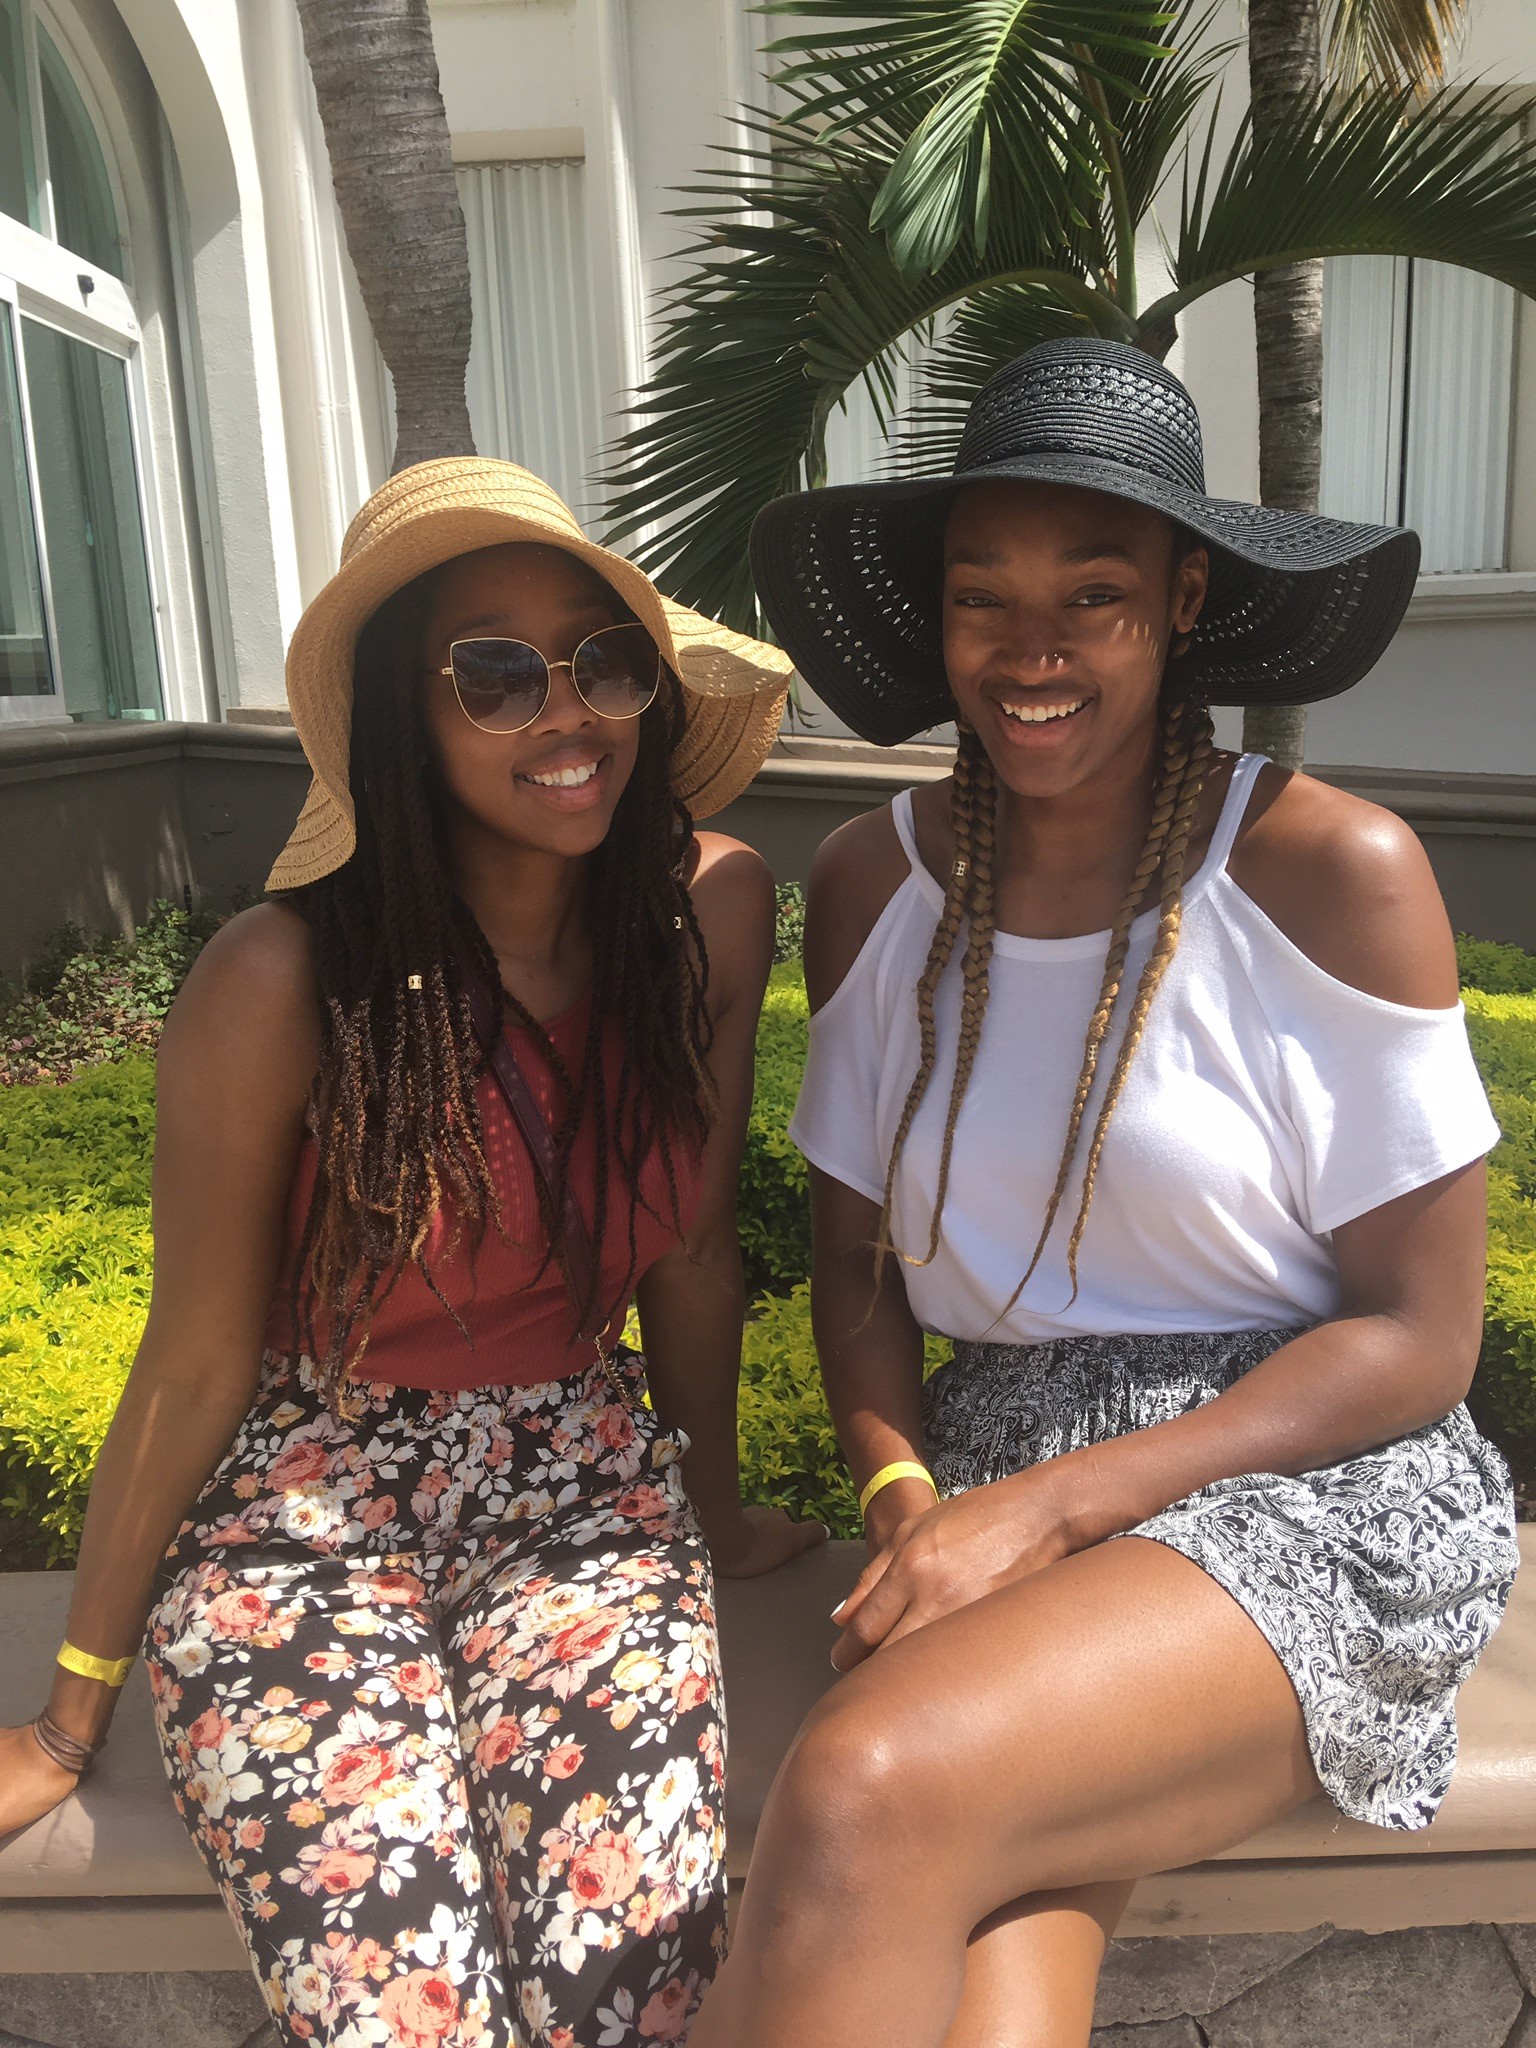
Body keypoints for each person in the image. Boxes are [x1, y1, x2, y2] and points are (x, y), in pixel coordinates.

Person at [686, 338, 1520, 2048]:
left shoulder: (1326, 871)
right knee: (993, 1951)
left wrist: (1056, 1511)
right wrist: (911, 1487)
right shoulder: (871, 882)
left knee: (859, 1791)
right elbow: (851, 1267)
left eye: (1094, 593)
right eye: (984, 598)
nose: (1033, 647)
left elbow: (1426, 1337)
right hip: (993, 1471)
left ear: (1182, 599)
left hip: (1307, 1480)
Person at [0, 459, 823, 2047]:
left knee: (635, 1986)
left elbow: (696, 1250)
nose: (564, 713)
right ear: (405, 714)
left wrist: (709, 1510)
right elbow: (193, 1358)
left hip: (580, 1480)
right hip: (305, 1506)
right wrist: (66, 1703)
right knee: (397, 2016)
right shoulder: (282, 980)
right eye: (495, 674)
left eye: (602, 661)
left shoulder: (708, 909)